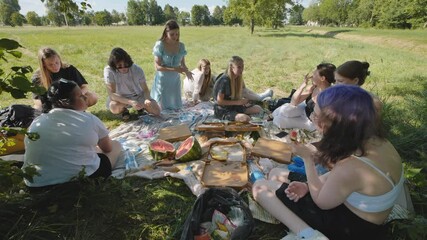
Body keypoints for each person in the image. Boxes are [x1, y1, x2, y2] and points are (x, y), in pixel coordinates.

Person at [253, 85, 403, 240]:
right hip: (360, 212)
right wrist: (306, 186)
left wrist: (307, 159)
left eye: (316, 116)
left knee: (260, 186)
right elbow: (342, 179)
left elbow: (322, 203)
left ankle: (308, 234)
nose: (312, 118)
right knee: (276, 173)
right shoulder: (379, 143)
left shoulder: (350, 166)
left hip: (350, 228)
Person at [22, 79, 122, 188]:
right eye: (80, 96)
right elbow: (108, 148)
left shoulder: (38, 121)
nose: (85, 97)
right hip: (80, 180)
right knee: (116, 145)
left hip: (35, 183)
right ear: (64, 102)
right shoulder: (89, 119)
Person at [32, 47, 98, 112]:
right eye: (50, 65)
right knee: (37, 107)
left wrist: (78, 97)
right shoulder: (38, 77)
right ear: (44, 65)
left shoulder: (69, 69)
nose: (55, 66)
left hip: (72, 99)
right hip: (51, 103)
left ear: (59, 59)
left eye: (57, 62)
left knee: (92, 97)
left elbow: (84, 87)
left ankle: (79, 111)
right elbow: (36, 99)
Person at [272, 63, 336, 130]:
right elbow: (294, 102)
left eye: (314, 74)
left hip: (311, 123)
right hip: (304, 111)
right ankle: (272, 115)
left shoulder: (330, 96)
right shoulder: (314, 87)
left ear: (322, 78)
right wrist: (303, 86)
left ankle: (274, 116)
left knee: (278, 121)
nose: (311, 76)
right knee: (286, 110)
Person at [183, 58, 274, 105]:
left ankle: (258, 96)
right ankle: (259, 97)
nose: (207, 70)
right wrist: (194, 101)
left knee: (241, 89)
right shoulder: (201, 75)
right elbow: (196, 90)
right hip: (200, 96)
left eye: (208, 68)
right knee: (239, 90)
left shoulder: (196, 71)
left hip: (197, 94)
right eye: (205, 68)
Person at [104, 47, 161, 120]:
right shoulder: (109, 70)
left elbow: (145, 89)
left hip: (138, 96)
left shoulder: (137, 69)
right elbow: (112, 95)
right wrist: (131, 102)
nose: (123, 68)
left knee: (156, 112)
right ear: (114, 65)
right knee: (114, 107)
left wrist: (147, 99)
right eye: (119, 66)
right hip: (121, 98)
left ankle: (140, 108)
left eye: (126, 65)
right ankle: (124, 110)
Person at [150, 20, 193, 110]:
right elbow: (157, 67)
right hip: (163, 80)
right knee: (162, 108)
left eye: (177, 34)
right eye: (172, 34)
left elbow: (183, 64)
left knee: (175, 107)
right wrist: (175, 69)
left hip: (175, 80)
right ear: (166, 33)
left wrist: (187, 71)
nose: (175, 36)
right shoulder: (160, 45)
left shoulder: (181, 46)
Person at [213, 56, 263, 122]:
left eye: (242, 66)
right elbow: (219, 101)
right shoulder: (224, 81)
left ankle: (239, 114)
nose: (241, 69)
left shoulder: (237, 78)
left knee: (258, 108)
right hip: (222, 110)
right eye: (239, 67)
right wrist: (238, 102)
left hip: (233, 107)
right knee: (245, 118)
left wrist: (243, 102)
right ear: (231, 68)